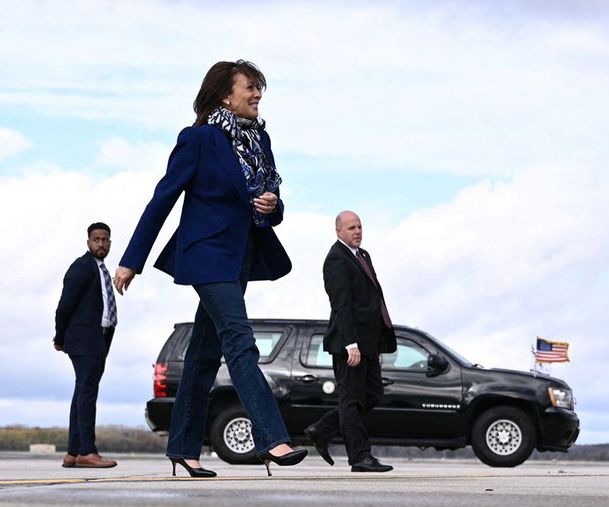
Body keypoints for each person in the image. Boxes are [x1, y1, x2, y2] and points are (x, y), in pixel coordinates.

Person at [112, 59, 306, 477]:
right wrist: (132, 260)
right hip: (205, 255)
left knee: (203, 357)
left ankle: (182, 447)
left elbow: (270, 201)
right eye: (250, 87)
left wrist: (272, 206)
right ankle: (272, 439)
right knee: (240, 341)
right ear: (225, 94)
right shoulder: (198, 139)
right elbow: (162, 198)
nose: (257, 95)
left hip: (239, 258)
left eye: (260, 89)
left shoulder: (260, 140)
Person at [306, 210, 394, 473]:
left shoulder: (362, 255)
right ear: (339, 232)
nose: (357, 231)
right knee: (351, 399)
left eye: (359, 227)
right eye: (351, 228)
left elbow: (372, 302)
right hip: (349, 345)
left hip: (369, 344)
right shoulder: (336, 259)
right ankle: (360, 457)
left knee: (372, 394)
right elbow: (341, 305)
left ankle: (322, 429)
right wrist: (351, 344)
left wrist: (375, 345)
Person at [53, 222, 119, 469]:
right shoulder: (81, 267)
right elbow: (64, 306)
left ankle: (73, 452)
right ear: (88, 242)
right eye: (96, 239)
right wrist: (60, 338)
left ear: (110, 242)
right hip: (84, 340)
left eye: (105, 239)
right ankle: (87, 451)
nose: (101, 244)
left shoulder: (100, 269)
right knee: (87, 392)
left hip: (99, 339)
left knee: (82, 392)